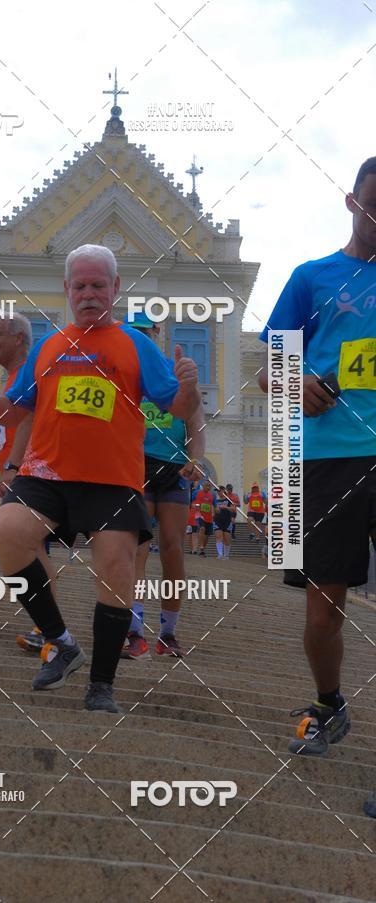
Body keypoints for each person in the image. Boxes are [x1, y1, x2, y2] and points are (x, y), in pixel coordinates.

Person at [0, 243, 200, 713]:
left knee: (115, 570)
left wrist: (190, 388)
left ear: (114, 289)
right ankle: (61, 641)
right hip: (47, 473)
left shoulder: (136, 345)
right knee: (7, 534)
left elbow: (177, 406)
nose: (89, 294)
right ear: (67, 290)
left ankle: (102, 685)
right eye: (80, 286)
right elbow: (16, 412)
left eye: (98, 285)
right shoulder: (51, 344)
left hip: (112, 480)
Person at [258, 157, 376, 761]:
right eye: (374, 204)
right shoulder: (312, 278)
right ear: (352, 202)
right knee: (323, 606)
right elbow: (267, 371)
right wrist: (295, 382)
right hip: (329, 459)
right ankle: (329, 702)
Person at [120, 312, 205, 659]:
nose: (140, 339)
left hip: (172, 469)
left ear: (156, 334)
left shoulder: (173, 370)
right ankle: (134, 629)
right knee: (137, 548)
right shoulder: (121, 375)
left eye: (145, 333)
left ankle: (168, 633)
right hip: (134, 467)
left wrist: (196, 458)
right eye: (133, 333)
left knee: (172, 549)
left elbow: (196, 423)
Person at [0, 312, 53, 653]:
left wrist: (12, 465)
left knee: (32, 546)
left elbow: (26, 420)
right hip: (20, 472)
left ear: (20, 340)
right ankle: (46, 627)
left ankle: (49, 628)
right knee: (32, 546)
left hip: (31, 472)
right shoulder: (10, 379)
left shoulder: (26, 375)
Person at [193, 479, 216, 556]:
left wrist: (215, 511)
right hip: (199, 515)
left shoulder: (212, 495)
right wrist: (196, 508)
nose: (208, 487)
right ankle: (201, 547)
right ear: (203, 486)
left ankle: (202, 550)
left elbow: (214, 505)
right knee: (202, 528)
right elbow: (193, 502)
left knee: (207, 535)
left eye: (209, 486)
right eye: (206, 485)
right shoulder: (198, 493)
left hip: (209, 517)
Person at [214, 486, 235, 559]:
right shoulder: (216, 501)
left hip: (227, 521)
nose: (218, 492)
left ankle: (226, 555)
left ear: (223, 490)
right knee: (218, 536)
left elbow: (233, 509)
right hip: (217, 520)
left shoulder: (229, 500)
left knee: (227, 538)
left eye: (219, 490)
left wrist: (226, 507)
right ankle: (220, 554)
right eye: (217, 491)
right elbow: (214, 510)